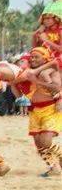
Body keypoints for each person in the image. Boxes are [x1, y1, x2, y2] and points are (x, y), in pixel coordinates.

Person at [14, 46, 62, 176]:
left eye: (37, 57)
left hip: (50, 109)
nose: (33, 59)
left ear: (45, 58)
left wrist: (36, 81)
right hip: (34, 110)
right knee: (38, 143)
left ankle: (60, 157)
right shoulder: (28, 72)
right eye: (32, 57)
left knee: (45, 141)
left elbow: (57, 87)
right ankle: (54, 167)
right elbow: (17, 87)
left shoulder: (52, 71)